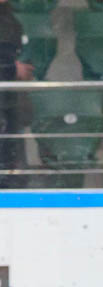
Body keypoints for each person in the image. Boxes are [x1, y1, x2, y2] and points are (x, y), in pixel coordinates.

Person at [0, 0, 34, 189]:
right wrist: (12, 67)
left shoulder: (9, 16)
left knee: (11, 140)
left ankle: (10, 179)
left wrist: (19, 66)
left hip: (9, 95)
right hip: (5, 91)